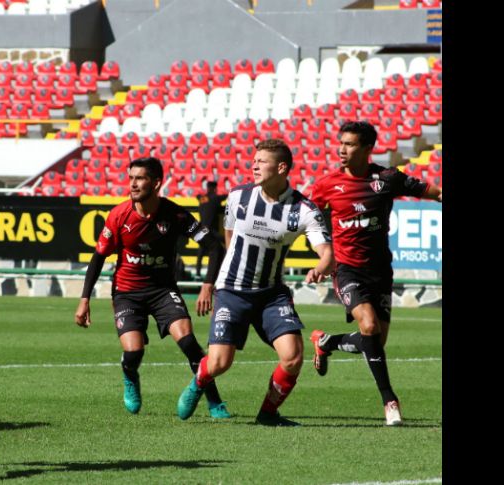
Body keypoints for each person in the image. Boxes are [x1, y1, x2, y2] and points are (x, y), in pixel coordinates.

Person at [176, 139, 333, 426]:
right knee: (220, 363)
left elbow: (327, 253)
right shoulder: (238, 196)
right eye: (254, 159)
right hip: (232, 290)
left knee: (293, 357)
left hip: (271, 294)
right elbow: (229, 239)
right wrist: (217, 282)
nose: (254, 165)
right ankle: (198, 381)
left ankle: (268, 414)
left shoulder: (304, 210)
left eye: (262, 161)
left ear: (281, 167)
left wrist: (321, 265)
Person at [307, 121, 442, 426]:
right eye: (341, 142)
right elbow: (307, 219)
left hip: (380, 270)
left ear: (367, 149)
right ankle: (389, 400)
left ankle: (326, 342)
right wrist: (323, 256)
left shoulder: (387, 178)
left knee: (375, 341)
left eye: (350, 144)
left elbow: (428, 190)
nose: (342, 149)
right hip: (346, 268)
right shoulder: (326, 185)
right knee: (368, 326)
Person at [74, 157, 231, 418]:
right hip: (127, 292)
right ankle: (130, 375)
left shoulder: (175, 214)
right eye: (131, 178)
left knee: (190, 343)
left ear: (156, 183)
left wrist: (207, 285)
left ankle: (214, 401)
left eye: (140, 178)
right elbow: (99, 256)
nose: (133, 184)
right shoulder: (118, 215)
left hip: (162, 291)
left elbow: (215, 247)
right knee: (134, 351)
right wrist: (84, 299)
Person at [195, 181, 227, 279]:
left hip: (202, 229)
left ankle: (197, 273)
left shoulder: (202, 198)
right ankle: (225, 270)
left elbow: (198, 196)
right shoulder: (216, 198)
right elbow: (226, 197)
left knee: (201, 250)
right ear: (215, 189)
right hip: (210, 230)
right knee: (226, 245)